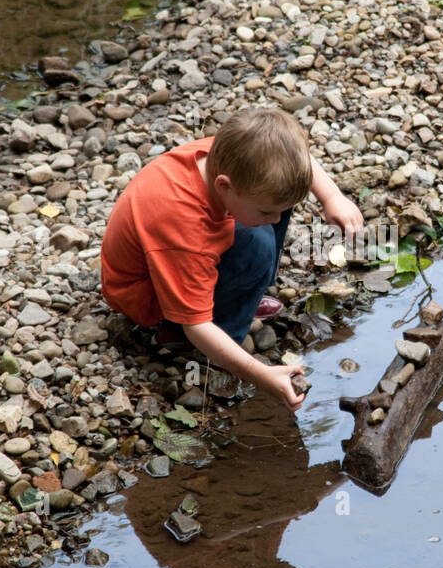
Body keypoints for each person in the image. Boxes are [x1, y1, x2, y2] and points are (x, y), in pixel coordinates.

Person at [100, 106, 363, 410]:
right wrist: (260, 374)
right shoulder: (185, 230)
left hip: (177, 256)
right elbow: (196, 324)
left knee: (275, 206)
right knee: (257, 251)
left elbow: (296, 158)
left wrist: (333, 197)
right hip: (148, 296)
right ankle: (210, 330)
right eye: (266, 212)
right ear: (224, 186)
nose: (277, 219)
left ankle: (244, 297)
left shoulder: (237, 157)